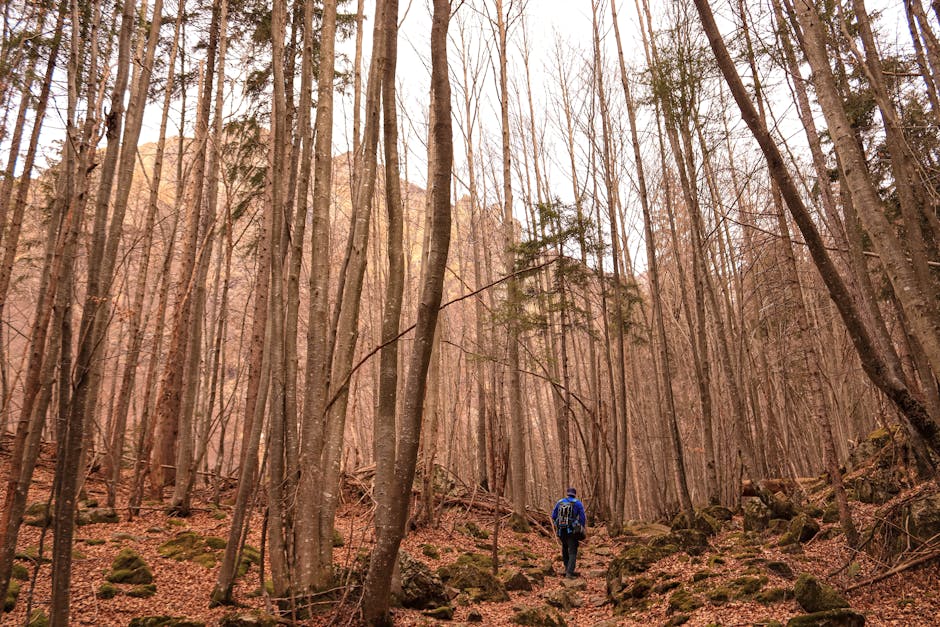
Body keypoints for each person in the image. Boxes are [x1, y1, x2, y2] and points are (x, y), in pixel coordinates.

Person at [551, 487, 586, 578]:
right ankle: (569, 573)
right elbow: (582, 517)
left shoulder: (560, 502)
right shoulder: (578, 503)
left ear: (567, 493)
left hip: (561, 530)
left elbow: (553, 515)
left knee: (565, 548)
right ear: (575, 494)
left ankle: (567, 568)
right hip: (572, 530)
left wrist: (559, 524)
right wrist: (580, 527)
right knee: (573, 551)